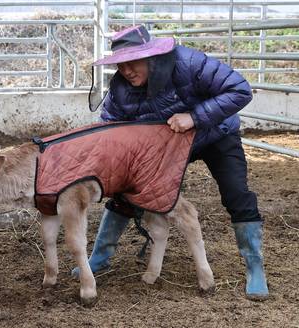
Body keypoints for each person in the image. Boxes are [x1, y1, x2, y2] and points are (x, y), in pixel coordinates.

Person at [73, 25, 269, 300]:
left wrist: (194, 117)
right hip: (166, 146)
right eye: (121, 64)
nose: (127, 71)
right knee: (127, 191)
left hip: (214, 135)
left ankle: (254, 265)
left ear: (152, 56)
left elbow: (239, 89)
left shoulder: (188, 64)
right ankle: (99, 257)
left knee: (236, 193)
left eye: (133, 62)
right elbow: (110, 127)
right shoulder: (120, 87)